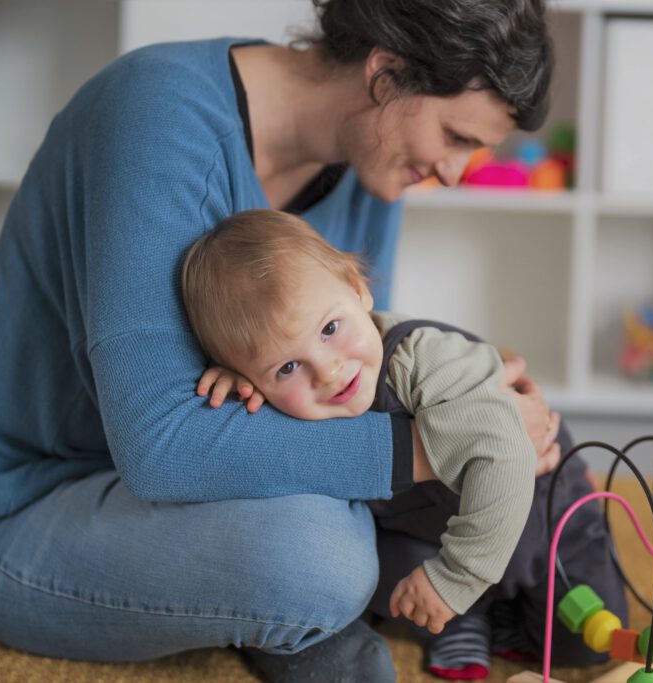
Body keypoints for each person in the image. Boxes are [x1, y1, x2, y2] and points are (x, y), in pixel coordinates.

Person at [0, 1, 559, 681]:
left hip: (202, 496)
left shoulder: (371, 168)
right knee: (325, 558)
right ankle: (288, 614)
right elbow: (163, 449)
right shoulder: (157, 114)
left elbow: (355, 386)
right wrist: (438, 443)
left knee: (500, 478)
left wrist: (480, 402)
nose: (455, 173)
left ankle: (275, 613)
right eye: (455, 136)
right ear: (385, 74)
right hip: (12, 509)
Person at [182, 208, 628, 680]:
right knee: (376, 571)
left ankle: (477, 599)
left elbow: (503, 460)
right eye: (286, 368)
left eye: (330, 329)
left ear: (357, 291)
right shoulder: (286, 401)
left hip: (531, 498)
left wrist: (455, 578)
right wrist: (240, 395)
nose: (329, 371)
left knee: (584, 640)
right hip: (425, 528)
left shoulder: (420, 360)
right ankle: (469, 614)